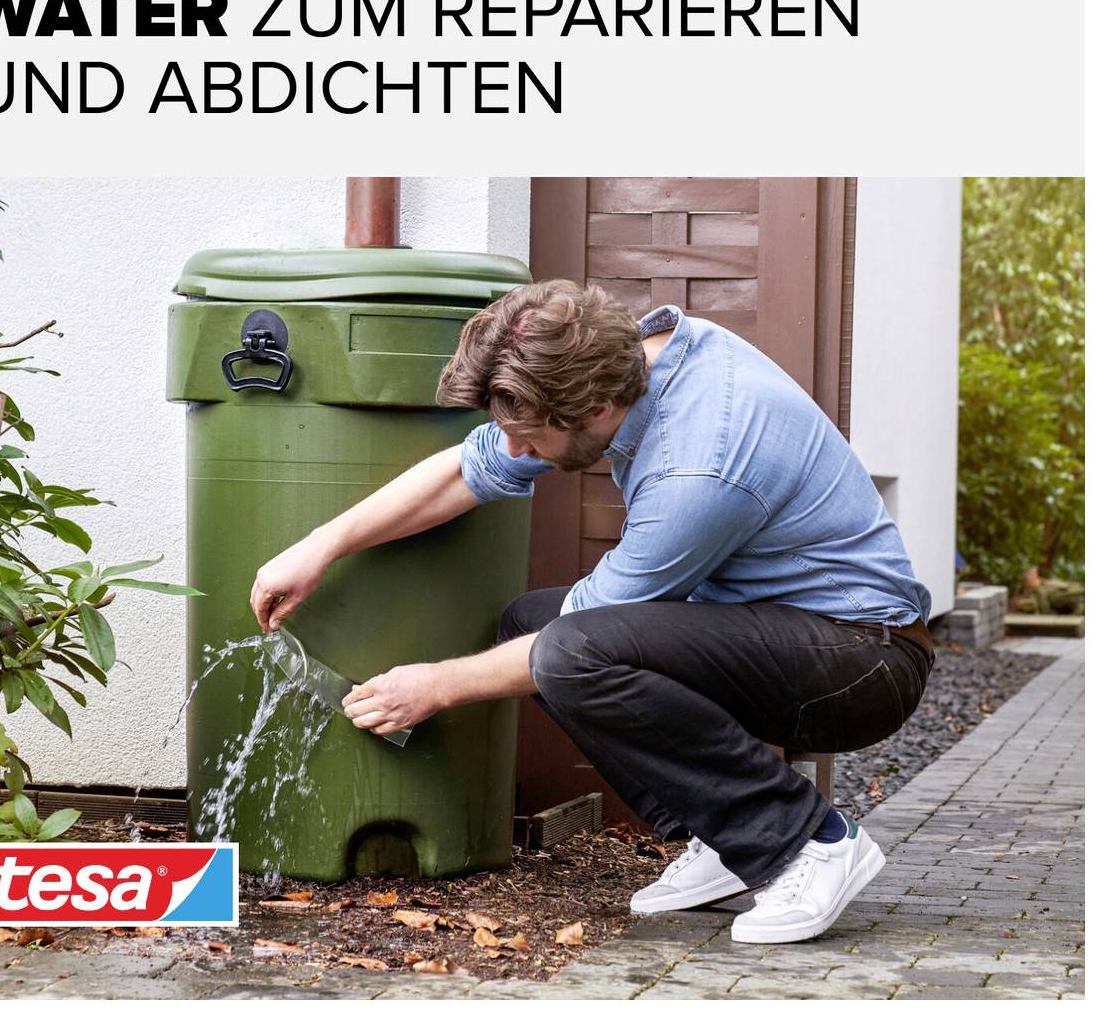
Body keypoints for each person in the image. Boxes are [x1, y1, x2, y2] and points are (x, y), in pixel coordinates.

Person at [250, 279, 935, 944]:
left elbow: (581, 632)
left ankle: (806, 843)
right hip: (778, 627)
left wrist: (430, 686)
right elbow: (467, 469)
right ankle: (725, 834)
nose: (516, 450)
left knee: (566, 652)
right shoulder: (637, 360)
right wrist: (319, 546)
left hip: (860, 659)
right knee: (530, 623)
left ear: (595, 407)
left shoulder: (696, 468)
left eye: (530, 437)